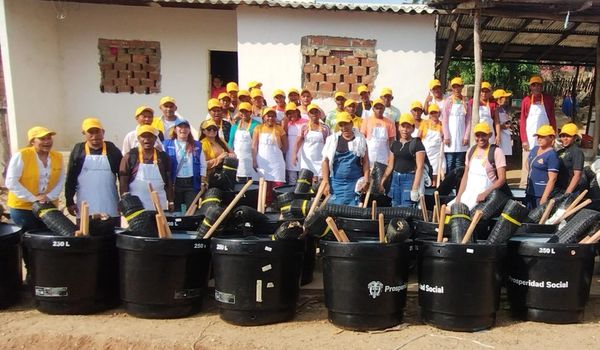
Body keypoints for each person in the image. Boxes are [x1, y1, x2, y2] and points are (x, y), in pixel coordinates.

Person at [65, 118, 122, 226]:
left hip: (110, 204)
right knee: (86, 239)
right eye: (90, 132)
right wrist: (69, 201)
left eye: (97, 131)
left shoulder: (112, 150)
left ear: (103, 132)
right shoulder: (78, 150)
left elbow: (122, 176)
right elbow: (71, 177)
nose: (94, 136)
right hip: (85, 205)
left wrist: (123, 200)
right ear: (84, 133)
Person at [6, 126, 65, 230]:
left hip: (48, 206)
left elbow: (60, 180)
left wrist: (49, 197)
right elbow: (11, 182)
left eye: (49, 138)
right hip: (23, 207)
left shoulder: (58, 156)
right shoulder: (21, 155)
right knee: (27, 237)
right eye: (42, 139)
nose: (47, 141)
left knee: (47, 238)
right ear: (32, 141)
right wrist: (33, 198)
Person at [451, 122, 507, 210]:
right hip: (468, 193)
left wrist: (486, 193)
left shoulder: (496, 152)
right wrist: (458, 197)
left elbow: (502, 179)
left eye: (483, 135)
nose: (480, 138)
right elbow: (465, 176)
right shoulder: (471, 151)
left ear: (489, 135)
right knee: (449, 210)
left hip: (485, 197)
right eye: (478, 135)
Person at [119, 125, 174, 211]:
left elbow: (168, 181)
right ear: (138, 138)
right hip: (137, 204)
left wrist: (171, 201)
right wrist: (125, 202)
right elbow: (123, 180)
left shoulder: (163, 156)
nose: (147, 139)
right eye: (143, 136)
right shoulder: (130, 156)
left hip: (160, 203)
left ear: (155, 138)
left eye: (150, 136)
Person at [322, 112, 370, 206]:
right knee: (335, 210)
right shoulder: (333, 140)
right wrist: (326, 182)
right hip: (336, 183)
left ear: (351, 123)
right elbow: (325, 161)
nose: (344, 127)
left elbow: (365, 161)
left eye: (346, 124)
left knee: (353, 211)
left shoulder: (360, 140)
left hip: (354, 183)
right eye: (341, 125)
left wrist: (366, 179)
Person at [380, 114, 425, 207]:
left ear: (413, 128)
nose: (405, 130)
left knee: (406, 207)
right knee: (394, 205)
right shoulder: (395, 144)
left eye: (408, 127)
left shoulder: (417, 143)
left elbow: (420, 167)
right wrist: (382, 180)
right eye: (403, 126)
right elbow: (390, 166)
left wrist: (415, 188)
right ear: (399, 127)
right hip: (395, 179)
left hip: (409, 179)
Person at [519, 75, 556, 189]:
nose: (536, 87)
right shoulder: (526, 101)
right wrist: (524, 139)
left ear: (542, 86)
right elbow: (522, 121)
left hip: (545, 139)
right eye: (533, 85)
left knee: (543, 163)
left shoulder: (548, 100)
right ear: (530, 87)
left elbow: (552, 118)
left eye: (538, 85)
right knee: (526, 164)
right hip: (530, 139)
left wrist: (554, 136)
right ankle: (523, 187)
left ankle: (542, 187)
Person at [163, 119, 206, 213]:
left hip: (191, 182)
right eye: (180, 127)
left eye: (186, 127)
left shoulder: (197, 145)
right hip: (175, 183)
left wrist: (202, 182)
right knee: (176, 210)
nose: (183, 129)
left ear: (189, 130)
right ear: (175, 129)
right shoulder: (167, 144)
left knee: (192, 209)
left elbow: (203, 164)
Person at [253, 108, 287, 206]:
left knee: (278, 185)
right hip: (263, 162)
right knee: (264, 185)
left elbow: (285, 146)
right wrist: (254, 160)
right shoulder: (258, 128)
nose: (270, 118)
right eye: (268, 116)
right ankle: (264, 206)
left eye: (273, 116)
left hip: (277, 161)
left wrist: (277, 152)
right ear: (264, 117)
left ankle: (277, 206)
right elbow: (254, 146)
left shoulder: (280, 129)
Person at [525, 125, 559, 208]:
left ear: (551, 137)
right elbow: (527, 162)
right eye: (538, 136)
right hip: (530, 190)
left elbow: (552, 178)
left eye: (543, 137)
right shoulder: (535, 149)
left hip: (540, 193)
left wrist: (544, 197)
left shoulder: (552, 155)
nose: (539, 139)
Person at [293, 103, 330, 180]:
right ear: (308, 114)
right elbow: (297, 142)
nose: (314, 114)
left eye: (316, 112)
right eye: (312, 112)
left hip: (320, 160)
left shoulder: (325, 128)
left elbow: (328, 144)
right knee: (305, 182)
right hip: (307, 160)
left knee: (319, 182)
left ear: (319, 114)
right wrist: (294, 155)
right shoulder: (304, 127)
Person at [442, 77, 470, 174]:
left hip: (461, 137)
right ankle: (449, 183)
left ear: (462, 87)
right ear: (452, 88)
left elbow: (468, 120)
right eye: (454, 87)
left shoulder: (466, 101)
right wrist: (446, 136)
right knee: (450, 162)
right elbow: (444, 120)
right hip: (450, 136)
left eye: (459, 86)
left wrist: (466, 136)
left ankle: (458, 183)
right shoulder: (448, 101)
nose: (457, 89)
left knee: (459, 162)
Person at [228, 102, 260, 181]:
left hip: (252, 159)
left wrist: (255, 159)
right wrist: (230, 154)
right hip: (238, 158)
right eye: (242, 111)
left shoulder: (257, 125)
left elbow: (258, 144)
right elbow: (230, 142)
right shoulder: (235, 125)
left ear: (251, 112)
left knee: (252, 183)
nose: (244, 113)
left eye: (246, 111)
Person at [360, 98, 395, 167]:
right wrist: (362, 156)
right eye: (377, 108)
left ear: (384, 109)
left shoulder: (390, 123)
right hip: (369, 155)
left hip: (383, 156)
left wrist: (391, 157)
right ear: (373, 109)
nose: (379, 110)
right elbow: (362, 138)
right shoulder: (367, 121)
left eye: (381, 108)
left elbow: (391, 141)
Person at [418, 103, 444, 185]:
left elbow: (443, 138)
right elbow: (419, 136)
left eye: (435, 112)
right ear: (429, 114)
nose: (433, 115)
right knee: (425, 173)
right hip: (425, 153)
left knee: (435, 174)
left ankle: (434, 189)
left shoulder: (442, 124)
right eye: (431, 113)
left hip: (436, 154)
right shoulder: (424, 123)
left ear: (439, 113)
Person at [557, 123, 586, 194]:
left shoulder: (577, 152)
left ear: (575, 137)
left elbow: (577, 175)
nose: (565, 138)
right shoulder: (559, 152)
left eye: (568, 136)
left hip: (570, 190)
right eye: (563, 136)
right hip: (558, 189)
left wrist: (568, 193)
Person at [283, 102, 308, 184]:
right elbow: (284, 134)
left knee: (303, 178)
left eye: (293, 112)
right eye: (289, 113)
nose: (291, 115)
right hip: (290, 153)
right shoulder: (288, 123)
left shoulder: (305, 122)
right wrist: (285, 122)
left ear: (297, 112)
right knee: (292, 178)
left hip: (303, 153)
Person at [492, 89, 513, 156]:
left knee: (504, 153)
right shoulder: (494, 109)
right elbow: (492, 123)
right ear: (499, 99)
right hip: (497, 135)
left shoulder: (503, 109)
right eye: (505, 98)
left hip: (505, 134)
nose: (506, 100)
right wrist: (501, 127)